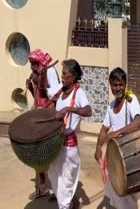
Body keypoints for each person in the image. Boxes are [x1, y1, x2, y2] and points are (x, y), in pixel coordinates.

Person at [94, 67, 140, 209]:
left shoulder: (131, 100)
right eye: (115, 85)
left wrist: (117, 133)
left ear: (125, 85)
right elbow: (104, 130)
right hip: (114, 158)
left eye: (121, 84)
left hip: (129, 155)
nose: (118, 88)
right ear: (110, 86)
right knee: (116, 193)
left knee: (127, 196)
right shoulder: (111, 107)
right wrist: (98, 147)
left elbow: (138, 122)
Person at [48, 59, 92, 209]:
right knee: (54, 176)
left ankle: (66, 205)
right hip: (56, 144)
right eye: (62, 74)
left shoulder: (79, 93)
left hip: (69, 147)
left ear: (73, 76)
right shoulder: (61, 91)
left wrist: (69, 109)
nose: (62, 77)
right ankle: (71, 203)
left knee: (66, 182)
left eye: (65, 74)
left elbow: (88, 110)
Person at [26, 49, 62, 200]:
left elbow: (53, 94)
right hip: (38, 115)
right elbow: (37, 95)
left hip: (47, 118)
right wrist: (30, 86)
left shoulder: (49, 71)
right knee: (37, 154)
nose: (32, 67)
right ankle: (41, 187)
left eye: (35, 63)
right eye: (31, 64)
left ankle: (55, 190)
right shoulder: (38, 72)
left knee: (50, 154)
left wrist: (41, 78)